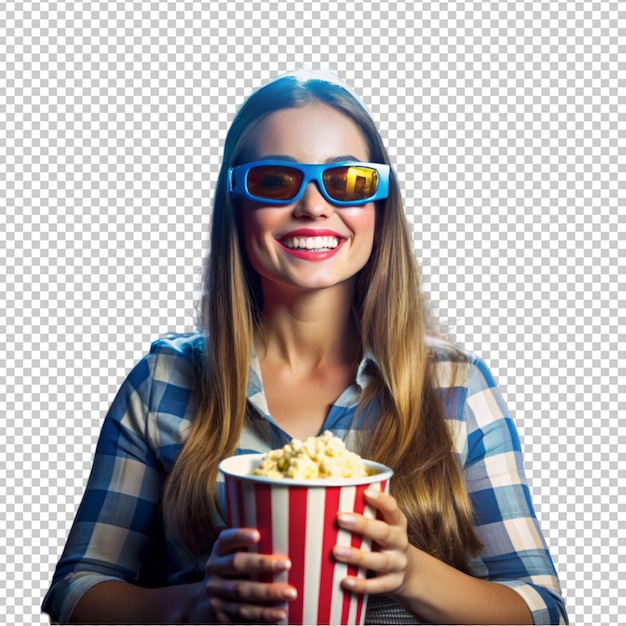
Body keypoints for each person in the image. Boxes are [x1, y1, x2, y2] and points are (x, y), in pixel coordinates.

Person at [42, 69, 568, 625]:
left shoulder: (454, 386)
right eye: (275, 181)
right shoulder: (166, 381)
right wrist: (199, 602)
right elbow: (78, 591)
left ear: (380, 204)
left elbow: (540, 608)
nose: (314, 205)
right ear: (236, 202)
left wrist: (411, 572)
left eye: (348, 181)